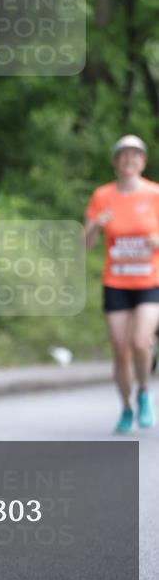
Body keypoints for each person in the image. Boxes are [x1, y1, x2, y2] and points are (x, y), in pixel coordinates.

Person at [84, 135, 159, 434]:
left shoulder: (155, 194)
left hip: (149, 281)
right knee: (120, 348)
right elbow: (86, 245)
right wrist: (95, 225)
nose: (129, 161)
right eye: (123, 156)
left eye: (135, 156)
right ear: (115, 162)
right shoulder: (102, 196)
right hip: (116, 282)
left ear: (143, 162)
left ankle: (144, 391)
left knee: (141, 341)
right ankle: (126, 407)